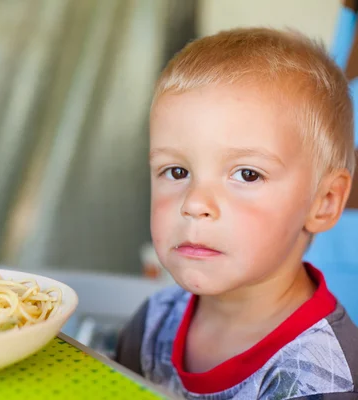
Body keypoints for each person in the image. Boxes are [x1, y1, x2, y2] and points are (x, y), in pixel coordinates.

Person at [114, 27, 358, 399]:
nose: (194, 203)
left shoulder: (322, 379)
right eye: (177, 171)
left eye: (247, 174)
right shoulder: (151, 324)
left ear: (323, 202)